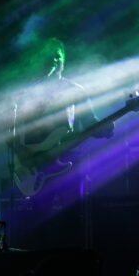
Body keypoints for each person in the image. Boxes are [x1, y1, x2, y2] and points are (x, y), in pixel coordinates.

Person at [8, 37, 113, 197]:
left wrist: (104, 127)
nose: (54, 59)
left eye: (58, 55)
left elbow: (89, 121)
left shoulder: (75, 90)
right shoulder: (26, 94)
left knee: (71, 213)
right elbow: (10, 129)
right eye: (49, 56)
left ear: (63, 61)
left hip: (66, 161)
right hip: (32, 164)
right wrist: (21, 154)